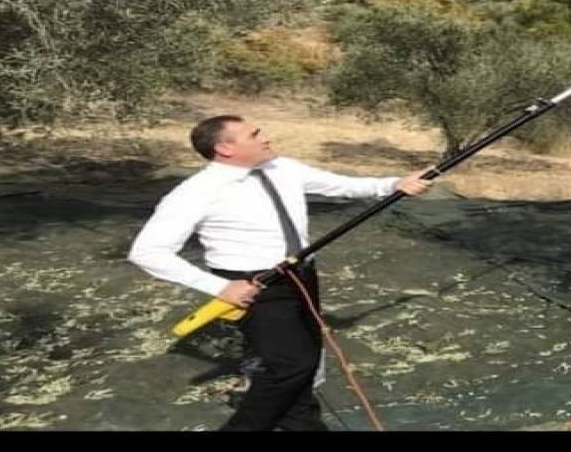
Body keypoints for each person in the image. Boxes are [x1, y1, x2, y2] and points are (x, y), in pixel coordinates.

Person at [128, 114, 433, 431]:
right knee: (290, 366)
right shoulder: (196, 192)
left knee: (307, 363)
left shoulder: (283, 168)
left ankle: (304, 426)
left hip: (302, 276)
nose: (265, 137)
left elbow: (341, 185)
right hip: (255, 284)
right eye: (253, 134)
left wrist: (394, 184)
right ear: (225, 148)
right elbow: (147, 251)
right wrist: (219, 287)